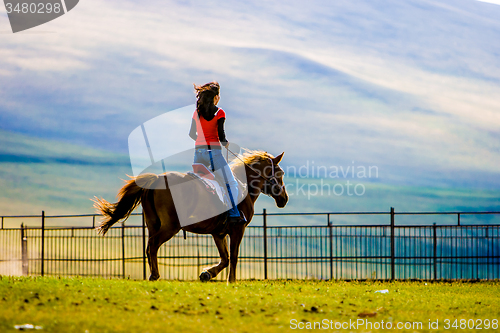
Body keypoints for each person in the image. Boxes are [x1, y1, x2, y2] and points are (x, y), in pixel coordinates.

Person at [189, 81, 245, 224]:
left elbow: (191, 134)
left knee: (201, 182)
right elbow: (221, 136)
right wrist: (226, 143)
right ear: (216, 97)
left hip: (198, 153)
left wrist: (201, 140)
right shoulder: (220, 112)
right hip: (213, 153)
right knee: (231, 183)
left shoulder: (197, 113)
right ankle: (233, 213)